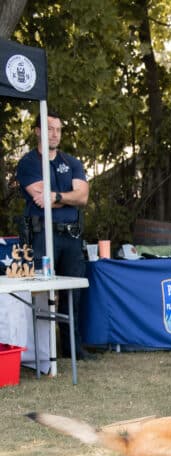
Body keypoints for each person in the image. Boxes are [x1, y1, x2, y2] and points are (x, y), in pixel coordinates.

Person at [16, 110, 91, 360]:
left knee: (72, 294)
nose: (55, 134)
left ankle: (72, 349)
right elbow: (40, 198)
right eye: (50, 129)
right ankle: (41, 353)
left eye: (58, 130)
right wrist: (67, 197)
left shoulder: (72, 162)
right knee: (40, 292)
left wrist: (57, 196)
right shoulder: (29, 162)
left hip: (70, 237)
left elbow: (83, 197)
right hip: (41, 236)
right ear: (38, 131)